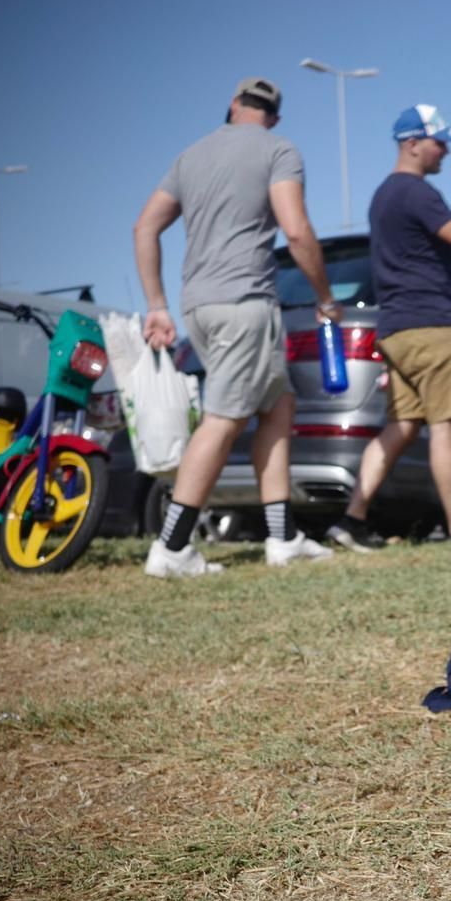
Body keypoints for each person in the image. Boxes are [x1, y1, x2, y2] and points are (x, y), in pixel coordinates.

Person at [134, 77, 338, 578]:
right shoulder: (279, 149)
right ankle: (172, 547)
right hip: (244, 302)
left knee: (277, 403)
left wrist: (156, 305)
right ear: (274, 116)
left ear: (233, 105)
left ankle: (283, 536)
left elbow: (144, 227)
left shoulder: (191, 155)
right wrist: (325, 297)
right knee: (223, 419)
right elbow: (295, 228)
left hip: (198, 306)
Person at [325, 105, 451, 554]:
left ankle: (352, 518)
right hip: (433, 325)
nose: (444, 151)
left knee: (402, 426)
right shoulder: (417, 192)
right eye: (439, 141)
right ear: (412, 143)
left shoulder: (383, 195)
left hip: (396, 327)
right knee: (448, 427)